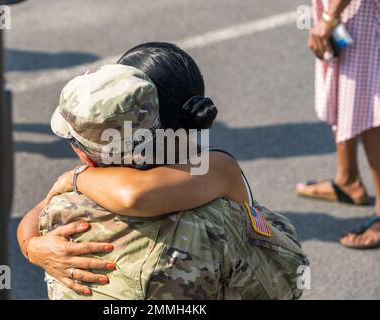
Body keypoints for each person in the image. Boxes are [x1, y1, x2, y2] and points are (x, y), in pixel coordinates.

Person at [17, 43, 308, 299]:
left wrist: (34, 243)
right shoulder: (217, 216)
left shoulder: (61, 209)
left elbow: (132, 195)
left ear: (83, 151)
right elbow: (286, 280)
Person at [296, 0, 380, 248]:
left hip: (360, 9)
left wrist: (330, 18)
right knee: (344, 89)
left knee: (370, 104)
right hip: (345, 10)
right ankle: (348, 179)